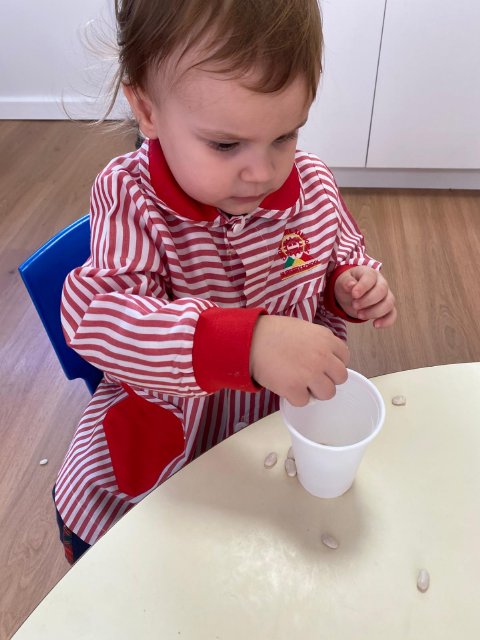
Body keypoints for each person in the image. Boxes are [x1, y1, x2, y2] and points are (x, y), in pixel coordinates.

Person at [54, 0, 397, 564]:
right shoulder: (130, 198)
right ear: (147, 110)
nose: (263, 172)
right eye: (224, 145)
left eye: (284, 136)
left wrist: (350, 286)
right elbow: (99, 318)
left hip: (265, 464)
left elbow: (340, 256)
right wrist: (245, 344)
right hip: (146, 496)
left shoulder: (312, 186)